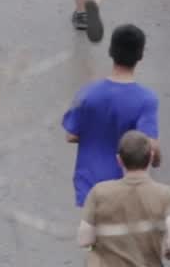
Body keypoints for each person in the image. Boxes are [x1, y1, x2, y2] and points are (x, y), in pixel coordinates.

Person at [62, 25, 161, 208]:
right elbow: (151, 146)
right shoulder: (146, 99)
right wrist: (157, 160)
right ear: (140, 56)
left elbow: (71, 135)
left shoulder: (87, 93)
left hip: (89, 185)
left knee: (90, 232)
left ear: (111, 51)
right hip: (126, 188)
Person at [77, 130, 170, 265]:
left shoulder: (99, 192)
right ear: (151, 157)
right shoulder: (168, 194)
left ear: (119, 160)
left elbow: (84, 240)